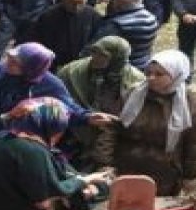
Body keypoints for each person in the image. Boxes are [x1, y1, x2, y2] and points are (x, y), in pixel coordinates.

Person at [0, 97, 112, 210]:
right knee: (81, 193)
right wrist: (85, 180)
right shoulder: (33, 151)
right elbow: (43, 201)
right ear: (51, 125)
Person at [94, 49, 196, 197]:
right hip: (125, 166)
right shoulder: (132, 95)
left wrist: (190, 176)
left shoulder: (193, 106)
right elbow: (111, 128)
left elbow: (195, 145)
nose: (151, 78)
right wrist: (105, 164)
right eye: (148, 73)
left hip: (164, 173)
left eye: (159, 74)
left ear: (176, 75)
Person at [0, 42, 100, 140]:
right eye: (9, 58)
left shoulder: (50, 85)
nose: (7, 63)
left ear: (31, 68)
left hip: (19, 140)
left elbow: (65, 108)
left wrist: (87, 117)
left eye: (15, 62)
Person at [57, 36, 146, 171]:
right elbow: (57, 100)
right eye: (94, 51)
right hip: (75, 134)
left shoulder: (136, 81)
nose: (95, 57)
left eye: (102, 55)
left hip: (112, 140)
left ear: (117, 58)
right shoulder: (71, 72)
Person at [87, 0, 159, 70]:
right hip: (142, 68)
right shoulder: (152, 18)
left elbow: (93, 51)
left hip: (120, 72)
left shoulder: (116, 25)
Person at [26, 0, 100, 71]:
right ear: (64, 0)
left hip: (80, 61)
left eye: (80, 3)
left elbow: (96, 36)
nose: (76, 7)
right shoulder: (49, 15)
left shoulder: (92, 15)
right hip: (53, 62)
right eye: (72, 3)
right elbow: (39, 38)